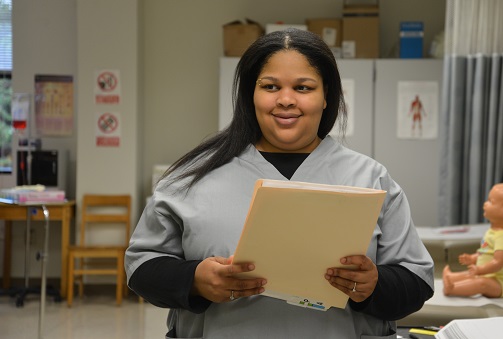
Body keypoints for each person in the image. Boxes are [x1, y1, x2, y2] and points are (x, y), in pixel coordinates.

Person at [125, 28, 434, 338]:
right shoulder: (192, 178)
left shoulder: (370, 179)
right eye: (270, 86)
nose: (286, 100)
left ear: (326, 96)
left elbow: (416, 281)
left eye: (303, 87)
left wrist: (374, 284)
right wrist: (194, 279)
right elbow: (141, 267)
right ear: (251, 94)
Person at [443, 183, 503, 298]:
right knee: (468, 274)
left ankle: (453, 288)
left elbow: (498, 262)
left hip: (498, 282)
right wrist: (472, 258)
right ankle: (450, 277)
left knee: (481, 284)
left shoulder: (501, 237)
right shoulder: (491, 232)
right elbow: (484, 252)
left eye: (491, 201)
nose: (485, 204)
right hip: (486, 274)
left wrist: (479, 269)